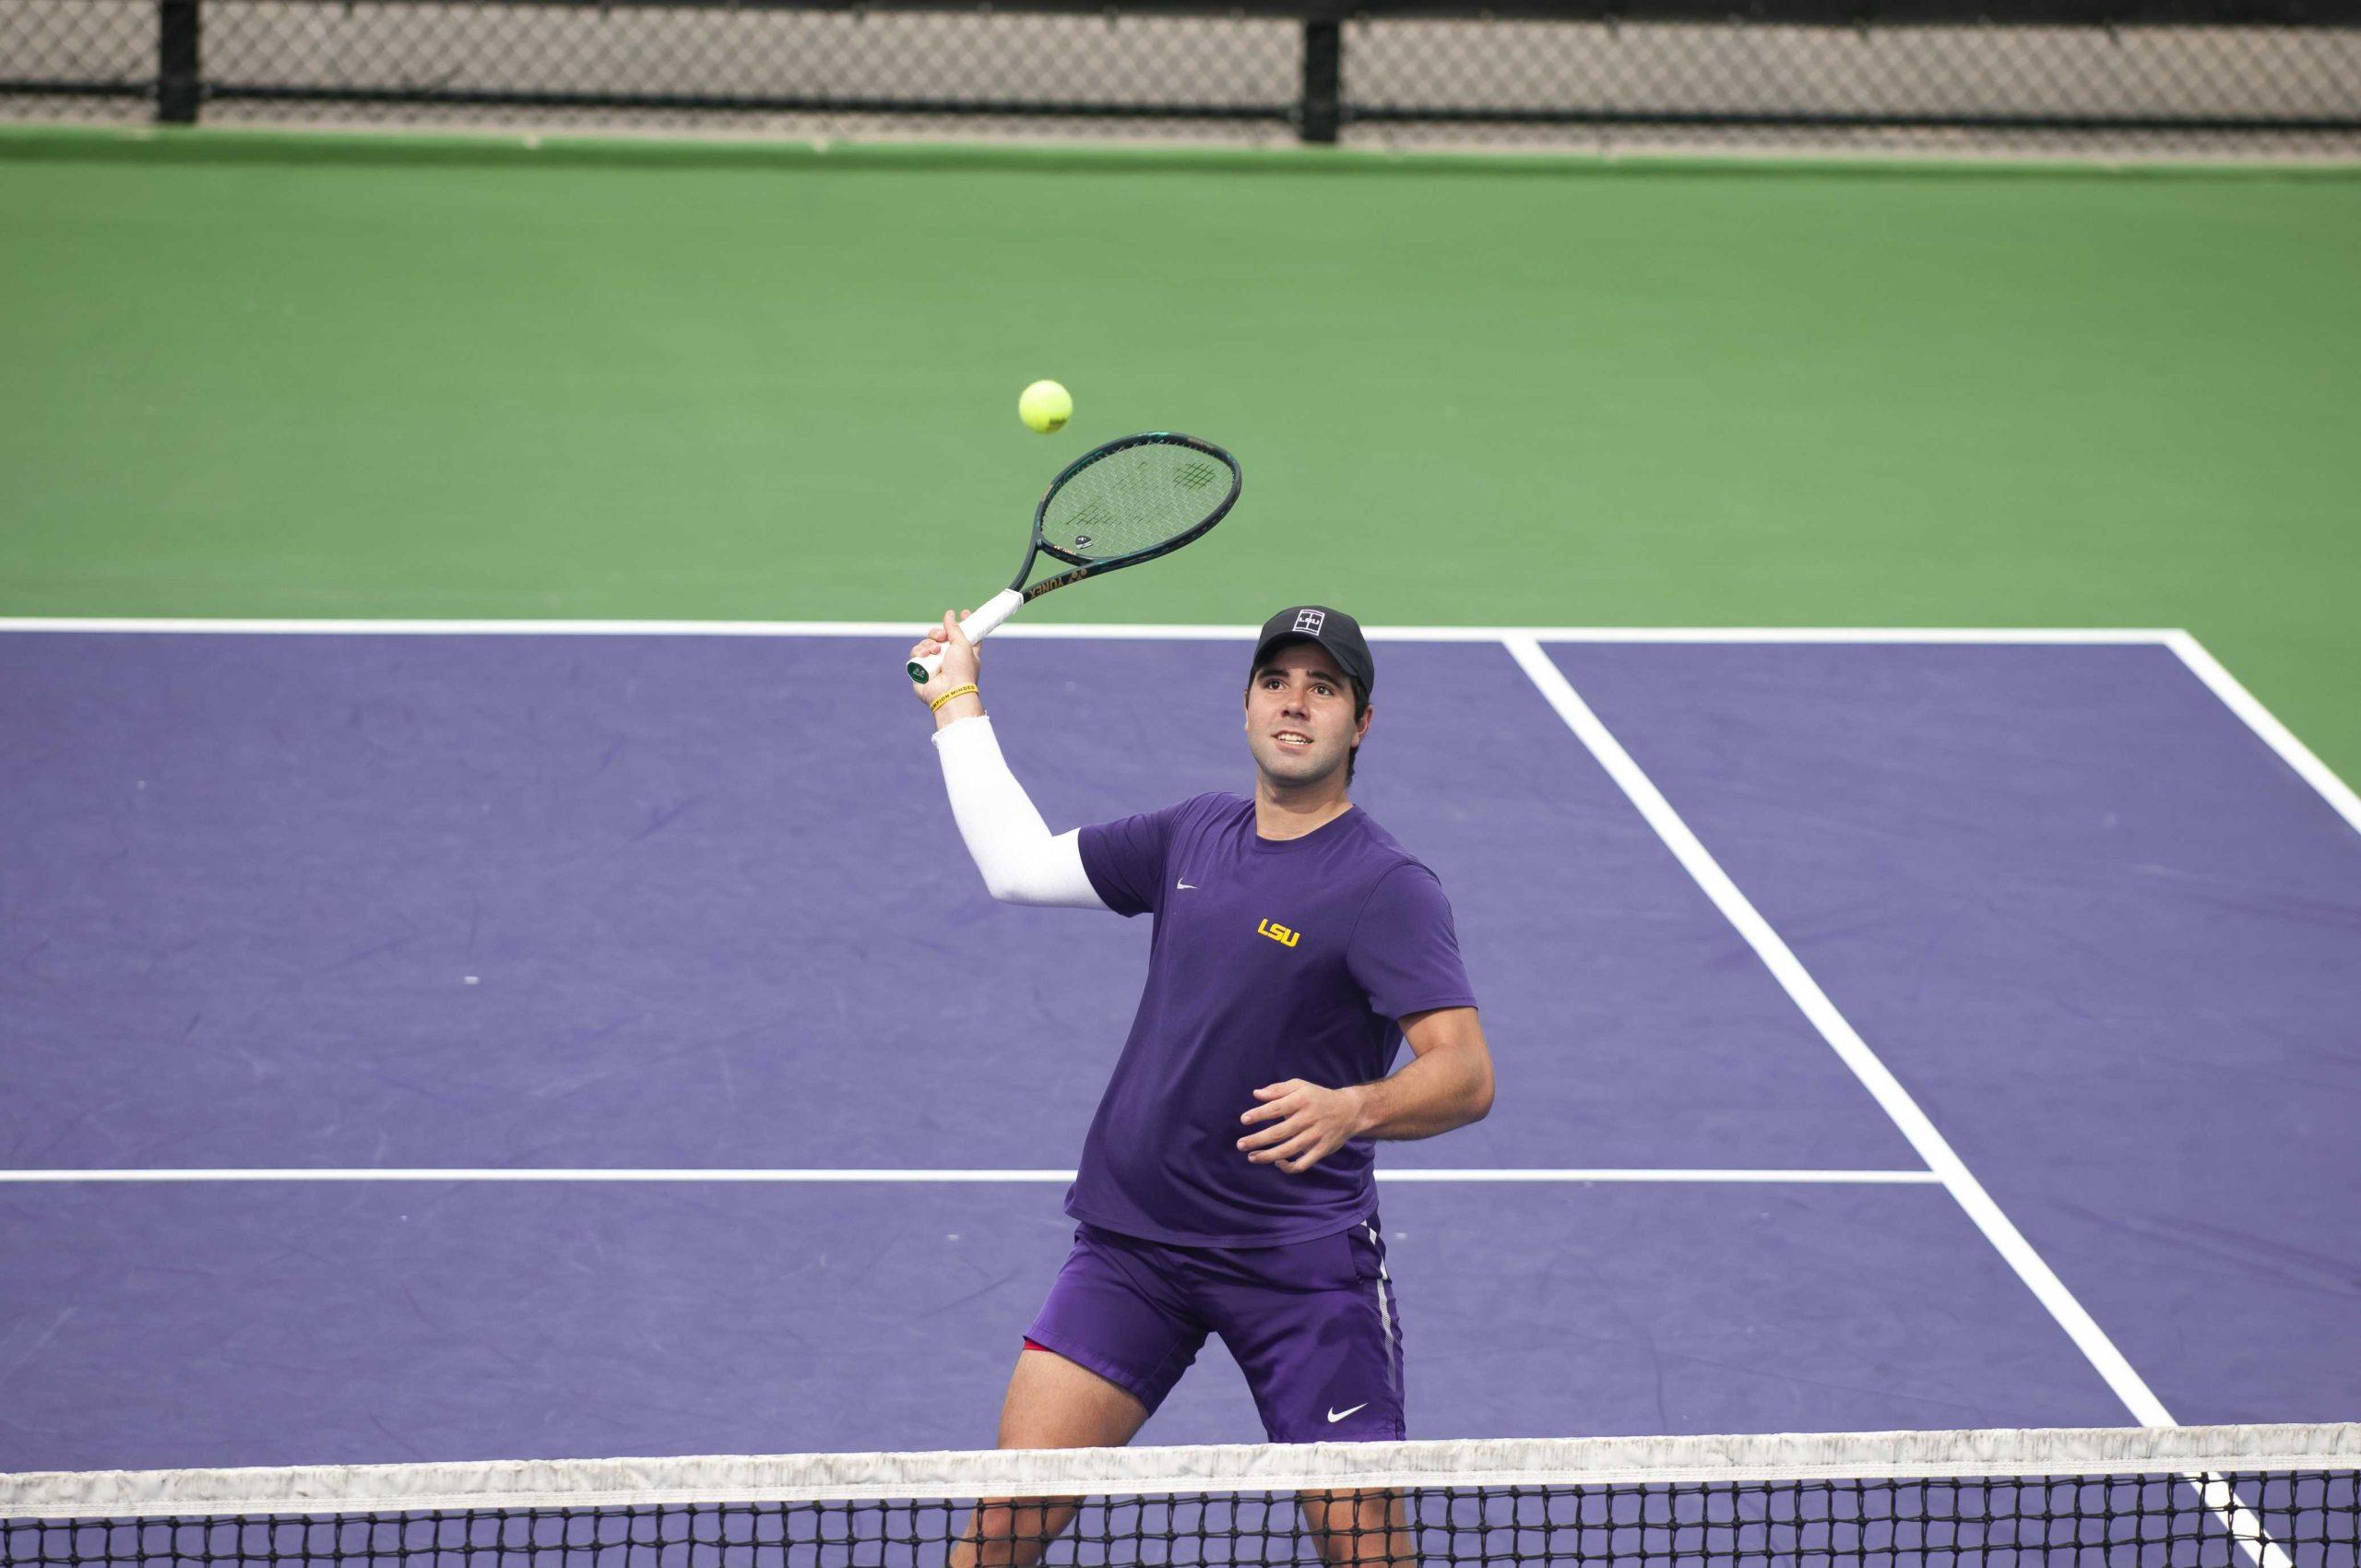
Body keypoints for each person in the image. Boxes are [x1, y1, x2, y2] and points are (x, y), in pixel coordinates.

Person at [910, 604, 1493, 1566]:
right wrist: (956, 703)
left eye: (1324, 686)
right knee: (999, 1531)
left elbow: (1464, 1072)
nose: (1295, 703)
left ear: (1361, 721)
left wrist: (1356, 1105)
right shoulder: (1191, 833)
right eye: (1276, 681)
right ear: (1247, 702)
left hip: (1299, 1267)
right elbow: (1015, 868)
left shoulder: (1387, 886)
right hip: (1132, 1249)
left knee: (1366, 1551)